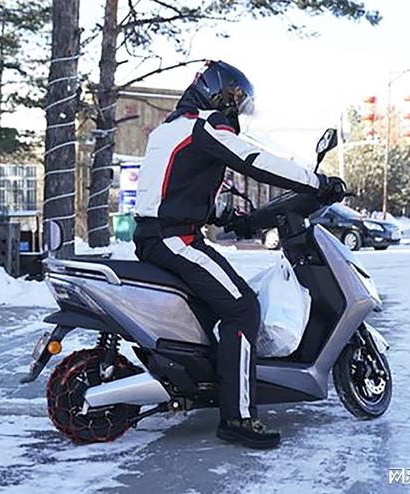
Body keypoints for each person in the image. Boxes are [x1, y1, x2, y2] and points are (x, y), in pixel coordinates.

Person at [133, 60, 346, 449]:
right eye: (235, 99)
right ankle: (238, 417)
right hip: (175, 239)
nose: (236, 108)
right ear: (217, 93)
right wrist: (317, 182)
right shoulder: (203, 126)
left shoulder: (172, 129)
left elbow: (173, 189)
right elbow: (253, 161)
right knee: (243, 308)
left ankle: (205, 382)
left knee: (215, 306)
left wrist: (230, 217)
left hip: (160, 235)